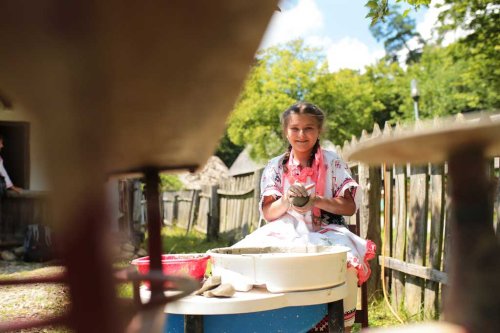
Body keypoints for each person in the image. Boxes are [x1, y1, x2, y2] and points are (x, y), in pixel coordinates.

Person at [233, 102, 375, 332]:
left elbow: (349, 207)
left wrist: (316, 200)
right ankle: (282, 322)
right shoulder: (275, 166)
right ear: (285, 131)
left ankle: (340, 327)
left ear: (319, 131)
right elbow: (269, 212)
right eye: (295, 128)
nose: (301, 134)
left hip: (327, 229)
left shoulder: (333, 162)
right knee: (250, 260)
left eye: (309, 128)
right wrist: (288, 199)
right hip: (286, 229)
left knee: (344, 263)